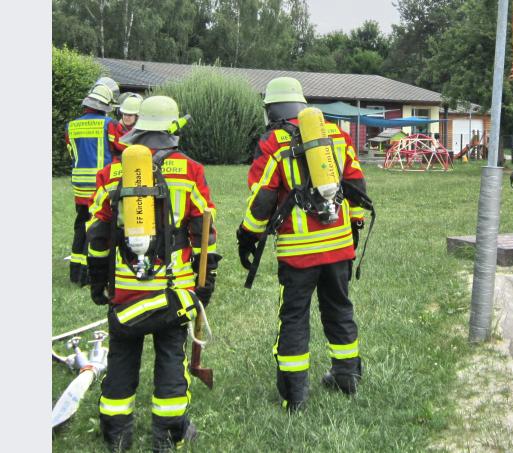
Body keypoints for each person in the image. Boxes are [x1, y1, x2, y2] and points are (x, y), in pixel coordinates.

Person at [85, 95, 219, 451]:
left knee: (122, 360)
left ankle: (117, 435)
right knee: (172, 360)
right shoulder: (190, 171)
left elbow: (97, 235)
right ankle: (167, 435)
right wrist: (206, 283)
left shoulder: (111, 173)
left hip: (125, 295)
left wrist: (98, 281)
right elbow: (205, 230)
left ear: (139, 128)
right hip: (172, 293)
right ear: (172, 129)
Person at [238, 77, 369, 411]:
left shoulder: (274, 142)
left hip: (299, 253)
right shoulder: (336, 135)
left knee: (294, 317)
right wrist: (353, 224)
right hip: (339, 246)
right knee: (339, 308)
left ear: (272, 109)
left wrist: (248, 235)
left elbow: (263, 196)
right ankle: (347, 376)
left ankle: (294, 395)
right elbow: (355, 184)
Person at [65, 80, 122, 284]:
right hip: (100, 186)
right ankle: (92, 271)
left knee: (81, 224)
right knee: (98, 226)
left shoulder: (71, 126)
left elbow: (72, 153)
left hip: (80, 187)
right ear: (105, 106)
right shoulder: (110, 125)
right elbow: (123, 146)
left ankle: (76, 272)